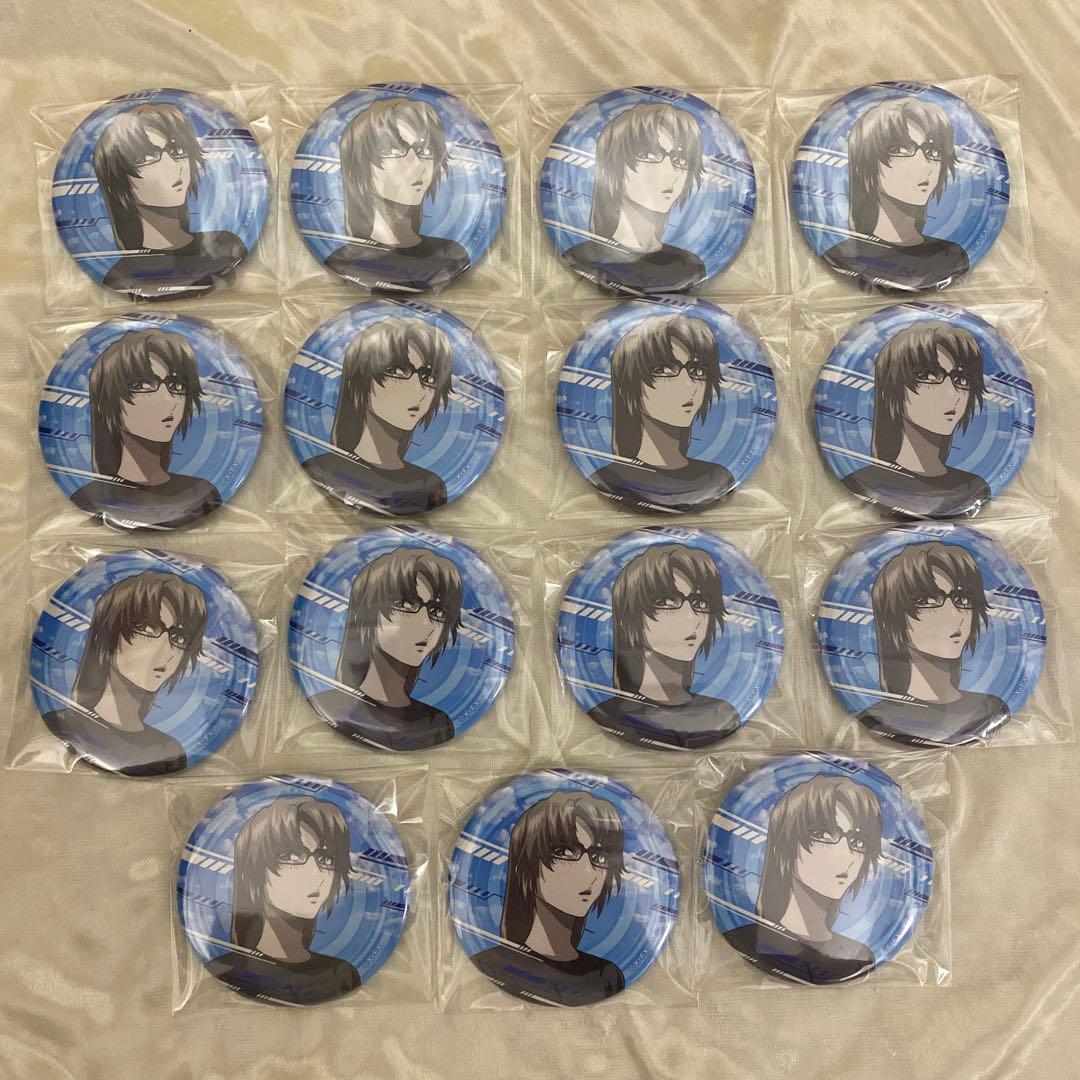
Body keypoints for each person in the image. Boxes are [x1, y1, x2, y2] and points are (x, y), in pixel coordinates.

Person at [41, 570, 206, 776]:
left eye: (179, 638)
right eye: (147, 627)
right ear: (106, 633)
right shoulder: (62, 725)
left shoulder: (169, 751)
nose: (165, 652)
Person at [470, 790, 626, 1006]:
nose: (588, 873)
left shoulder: (606, 976)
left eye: (599, 856)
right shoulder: (490, 965)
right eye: (564, 851)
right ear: (524, 865)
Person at [723, 774, 882, 985]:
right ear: (784, 844)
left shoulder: (858, 956)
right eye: (824, 834)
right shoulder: (744, 939)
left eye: (858, 841)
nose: (846, 857)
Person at [206, 797, 361, 1006]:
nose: (316, 874)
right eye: (290, 856)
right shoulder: (224, 972)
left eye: (326, 858)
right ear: (253, 871)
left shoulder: (341, 975)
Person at [587, 543, 741, 749]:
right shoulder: (607, 715)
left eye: (701, 603)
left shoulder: (721, 714)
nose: (692, 618)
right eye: (667, 601)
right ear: (627, 616)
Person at [309, 547, 463, 750]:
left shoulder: (437, 724)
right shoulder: (329, 706)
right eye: (406, 604)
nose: (426, 624)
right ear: (366, 613)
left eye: (437, 611)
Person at [856, 541, 1008, 745]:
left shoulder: (990, 709)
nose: (954, 615)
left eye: (962, 599)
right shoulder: (878, 717)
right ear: (890, 618)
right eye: (926, 600)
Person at [69, 329, 222, 529]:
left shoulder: (201, 493)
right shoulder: (88, 500)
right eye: (142, 385)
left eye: (176, 385)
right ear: (105, 402)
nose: (168, 401)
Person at [93, 102, 246, 298]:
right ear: (118, 179)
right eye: (146, 158)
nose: (173, 167)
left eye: (177, 150)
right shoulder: (122, 277)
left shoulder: (226, 246)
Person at [300, 318, 452, 515]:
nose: (418, 391)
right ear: (358, 379)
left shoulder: (430, 486)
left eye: (428, 377)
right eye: (398, 370)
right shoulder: (321, 470)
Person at [841, 321, 991, 517]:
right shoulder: (864, 482)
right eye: (928, 375)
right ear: (891, 387)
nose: (952, 394)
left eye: (961, 379)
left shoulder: (972, 488)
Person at [589, 313, 734, 511]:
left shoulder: (716, 477)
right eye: (663, 369)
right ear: (627, 384)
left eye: (697, 370)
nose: (688, 385)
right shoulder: (609, 479)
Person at [325, 97, 470, 291]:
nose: (417, 165)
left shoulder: (451, 256)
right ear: (359, 165)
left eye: (425, 150)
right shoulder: (343, 262)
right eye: (393, 150)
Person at [823, 97, 968, 291]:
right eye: (900, 149)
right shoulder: (842, 256)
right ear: (864, 163)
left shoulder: (952, 257)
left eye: (933, 151)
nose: (924, 166)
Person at [562, 102, 707, 294]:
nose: (669, 173)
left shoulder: (690, 267)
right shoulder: (581, 258)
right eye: (649, 155)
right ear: (614, 166)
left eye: (680, 159)